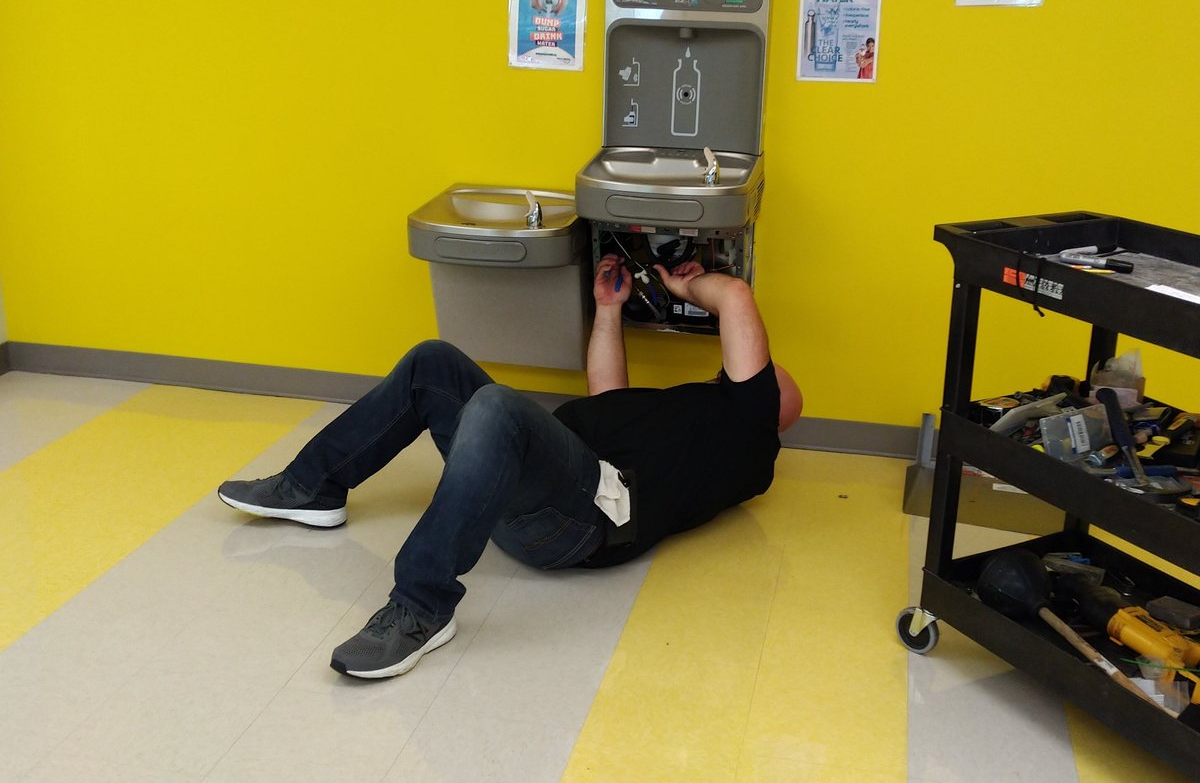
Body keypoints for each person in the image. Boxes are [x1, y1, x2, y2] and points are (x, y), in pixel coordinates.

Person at [217, 254, 802, 679]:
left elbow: (736, 300)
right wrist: (608, 310)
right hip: (539, 485)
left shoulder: (751, 433)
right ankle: (310, 488)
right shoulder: (686, 414)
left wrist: (687, 282)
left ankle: (421, 608)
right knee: (434, 363)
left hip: (578, 525)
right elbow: (607, 400)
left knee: (498, 407)